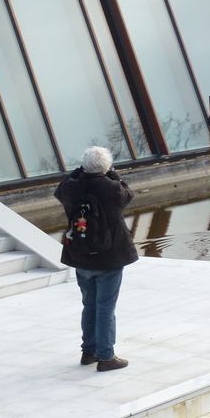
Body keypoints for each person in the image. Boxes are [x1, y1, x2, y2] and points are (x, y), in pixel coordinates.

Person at [55, 146, 137, 372]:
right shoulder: (111, 188)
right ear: (107, 166)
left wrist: (76, 173)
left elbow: (59, 190)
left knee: (89, 304)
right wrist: (113, 173)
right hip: (109, 257)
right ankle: (106, 356)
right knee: (105, 308)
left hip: (81, 256)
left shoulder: (71, 188)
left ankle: (88, 351)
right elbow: (127, 194)